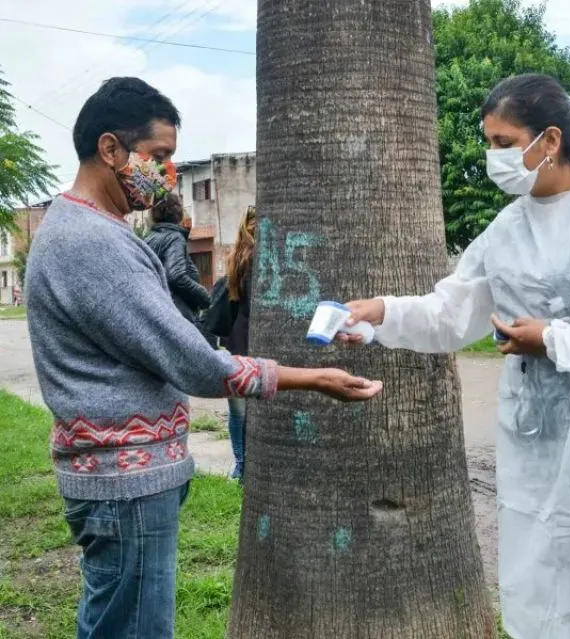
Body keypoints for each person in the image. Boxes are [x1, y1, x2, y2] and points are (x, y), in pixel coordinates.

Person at [339, 73, 570, 639]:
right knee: (546, 582)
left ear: (551, 140)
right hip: (536, 445)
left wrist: (556, 340)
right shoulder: (507, 228)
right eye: (489, 143)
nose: (493, 157)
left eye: (504, 142)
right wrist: (383, 313)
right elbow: (454, 310)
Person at [23, 77, 382, 639]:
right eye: (159, 156)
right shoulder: (91, 242)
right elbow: (193, 362)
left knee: (114, 620)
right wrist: (312, 378)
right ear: (110, 148)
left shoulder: (88, 231)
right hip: (126, 487)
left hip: (120, 481)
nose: (167, 173)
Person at [223, 205, 257, 480]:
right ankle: (246, 465)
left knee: (237, 412)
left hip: (235, 340)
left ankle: (239, 465)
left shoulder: (235, 256)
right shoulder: (258, 258)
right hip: (253, 338)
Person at [145, 193, 210, 332]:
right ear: (178, 212)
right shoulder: (175, 238)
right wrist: (204, 297)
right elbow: (176, 276)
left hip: (160, 313)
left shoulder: (150, 239)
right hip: (178, 316)